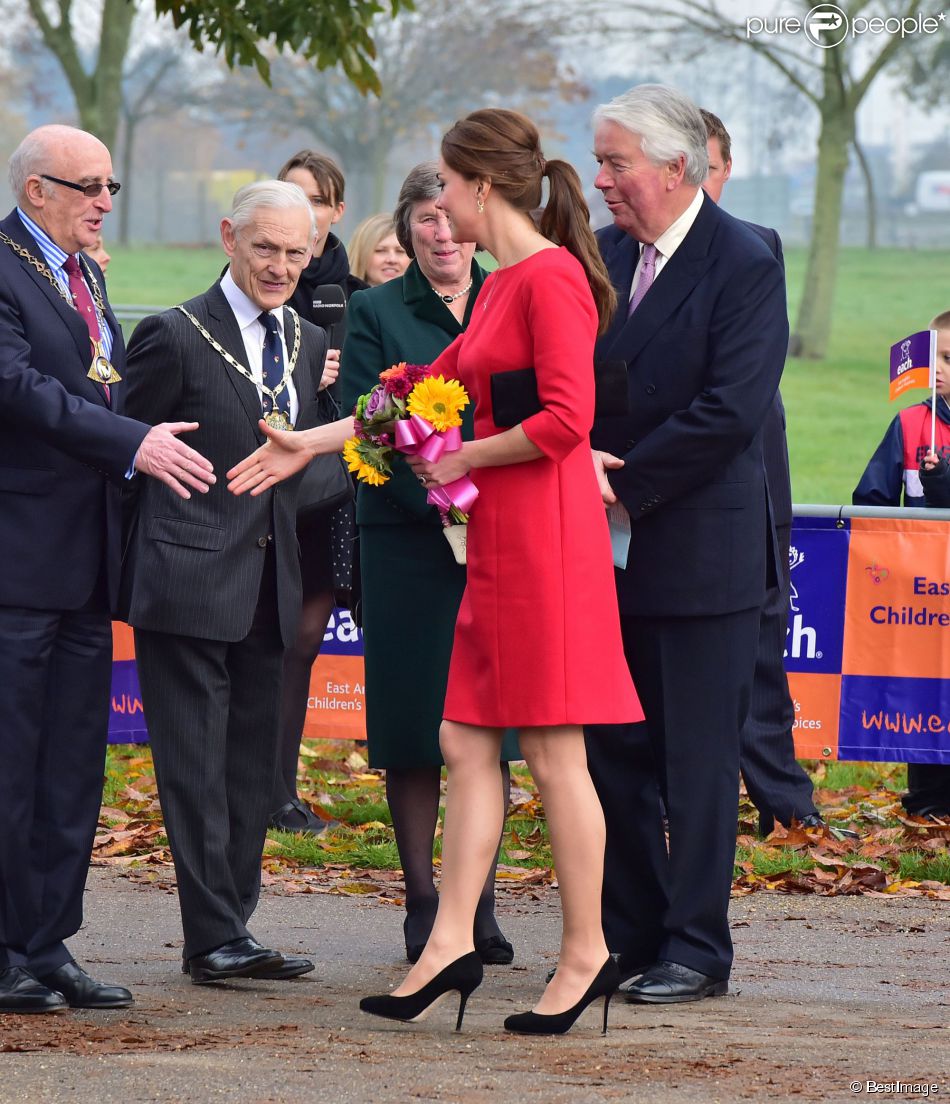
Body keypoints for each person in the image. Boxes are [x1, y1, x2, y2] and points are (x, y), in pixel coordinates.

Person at [228, 109, 643, 1036]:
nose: (437, 203)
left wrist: (466, 460)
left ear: (481, 189)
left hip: (547, 547)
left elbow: (568, 424)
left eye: (447, 186)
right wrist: (313, 442)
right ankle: (450, 939)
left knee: (552, 752)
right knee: (462, 742)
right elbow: (409, 390)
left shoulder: (554, 281)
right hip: (501, 546)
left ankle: (586, 954)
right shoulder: (500, 291)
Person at [0, 124, 214, 1014]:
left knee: (71, 766)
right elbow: (20, 390)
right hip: (17, 561)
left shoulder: (86, 272)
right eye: (87, 186)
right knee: (11, 763)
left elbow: (97, 381)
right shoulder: (5, 267)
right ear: (34, 189)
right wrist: (135, 443)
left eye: (112, 186)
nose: (104, 201)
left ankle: (48, 943)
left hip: (90, 562)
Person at [585, 85, 788, 1005]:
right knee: (612, 753)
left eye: (617, 163)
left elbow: (730, 411)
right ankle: (632, 934)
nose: (602, 180)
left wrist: (615, 481)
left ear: (677, 167)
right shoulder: (600, 257)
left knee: (698, 763)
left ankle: (698, 948)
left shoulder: (744, 260)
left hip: (699, 556)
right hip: (602, 558)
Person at [120, 180, 330, 985]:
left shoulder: (311, 343)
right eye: (264, 248)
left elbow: (300, 471)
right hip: (184, 585)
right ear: (229, 238)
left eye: (294, 252)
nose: (278, 266)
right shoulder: (172, 335)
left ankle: (232, 928)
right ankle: (211, 935)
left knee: (253, 769)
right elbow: (130, 458)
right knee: (193, 768)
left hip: (272, 587)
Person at [339, 161, 518, 965]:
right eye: (424, 222)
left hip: (500, 545)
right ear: (405, 229)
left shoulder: (508, 294)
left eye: (449, 219)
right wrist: (444, 506)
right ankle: (421, 898)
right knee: (413, 726)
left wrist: (488, 509)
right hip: (408, 545)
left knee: (488, 729)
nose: (442, 235)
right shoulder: (376, 307)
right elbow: (371, 426)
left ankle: (475, 901)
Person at [701, 108, 824, 837]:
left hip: (753, 475)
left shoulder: (755, 247)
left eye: (712, 167)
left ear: (723, 170)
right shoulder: (615, 252)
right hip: (662, 483)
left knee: (762, 641)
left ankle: (783, 798)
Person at [267, 150, 365, 835]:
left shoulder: (356, 295)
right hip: (266, 474)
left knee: (303, 637)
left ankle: (282, 793)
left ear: (336, 212)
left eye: (316, 200)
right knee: (259, 638)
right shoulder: (248, 283)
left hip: (330, 485)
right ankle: (252, 785)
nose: (305, 210)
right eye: (290, 196)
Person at [854, 311, 950, 820]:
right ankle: (929, 800)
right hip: (923, 601)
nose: (937, 369)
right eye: (934, 356)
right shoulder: (912, 423)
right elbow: (870, 499)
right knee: (928, 691)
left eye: (949, 360)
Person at [348, 213, 409, 286]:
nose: (392, 260)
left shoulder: (424, 296)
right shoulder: (339, 296)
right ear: (361, 255)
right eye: (381, 251)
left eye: (400, 251)